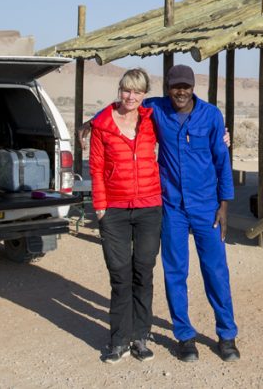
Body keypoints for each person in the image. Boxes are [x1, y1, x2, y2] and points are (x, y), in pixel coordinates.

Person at [145, 64, 240, 362]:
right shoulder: (156, 110)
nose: (181, 92)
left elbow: (222, 160)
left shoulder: (211, 115)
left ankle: (227, 335)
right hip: (172, 207)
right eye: (176, 87)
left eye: (186, 86)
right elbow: (126, 103)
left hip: (207, 207)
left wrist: (224, 206)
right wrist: (91, 122)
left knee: (216, 271)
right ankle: (184, 336)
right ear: (168, 89)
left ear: (193, 87)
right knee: (175, 272)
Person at [89, 68, 162, 363]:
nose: (131, 97)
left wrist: (220, 136)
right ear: (119, 90)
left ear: (144, 95)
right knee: (120, 275)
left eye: (137, 92)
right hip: (115, 210)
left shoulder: (151, 120)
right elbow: (95, 167)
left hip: (148, 207)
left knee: (143, 272)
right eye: (126, 90)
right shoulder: (102, 124)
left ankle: (141, 337)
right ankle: (119, 339)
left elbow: (185, 125)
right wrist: (100, 206)